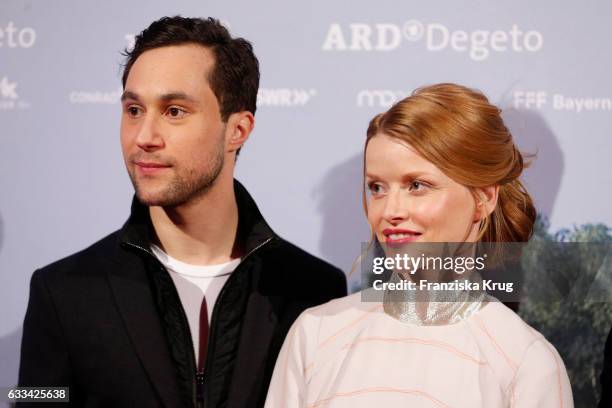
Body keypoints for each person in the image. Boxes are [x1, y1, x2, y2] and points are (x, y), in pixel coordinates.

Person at [18, 16, 346, 408]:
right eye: (134, 110)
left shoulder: (314, 291)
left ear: (237, 129)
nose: (144, 137)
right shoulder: (62, 292)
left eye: (174, 111)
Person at [265, 83, 573, 407]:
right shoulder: (315, 335)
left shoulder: (525, 362)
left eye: (416, 185)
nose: (391, 211)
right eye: (377, 188)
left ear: (484, 197)